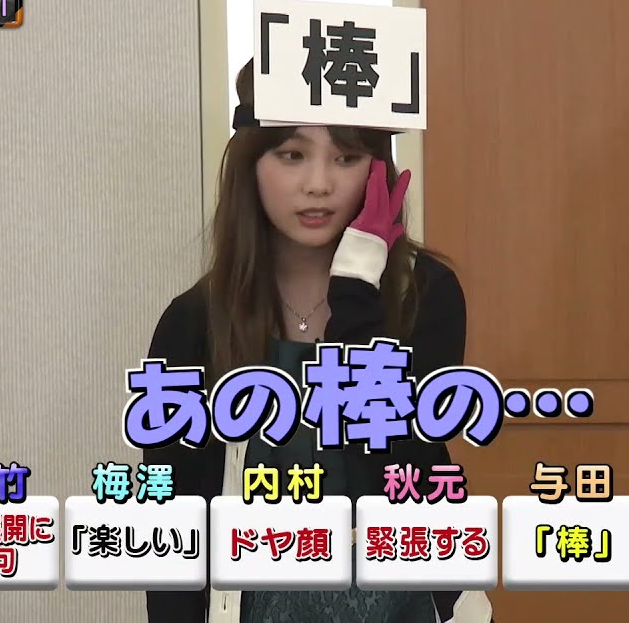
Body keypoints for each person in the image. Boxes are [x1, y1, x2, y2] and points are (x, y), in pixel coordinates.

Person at [143, 59, 492, 623]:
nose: (319, 184)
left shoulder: (425, 296)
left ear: (377, 171)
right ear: (250, 165)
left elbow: (408, 466)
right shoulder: (194, 323)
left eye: (346, 157)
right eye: (292, 155)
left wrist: (356, 295)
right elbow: (169, 527)